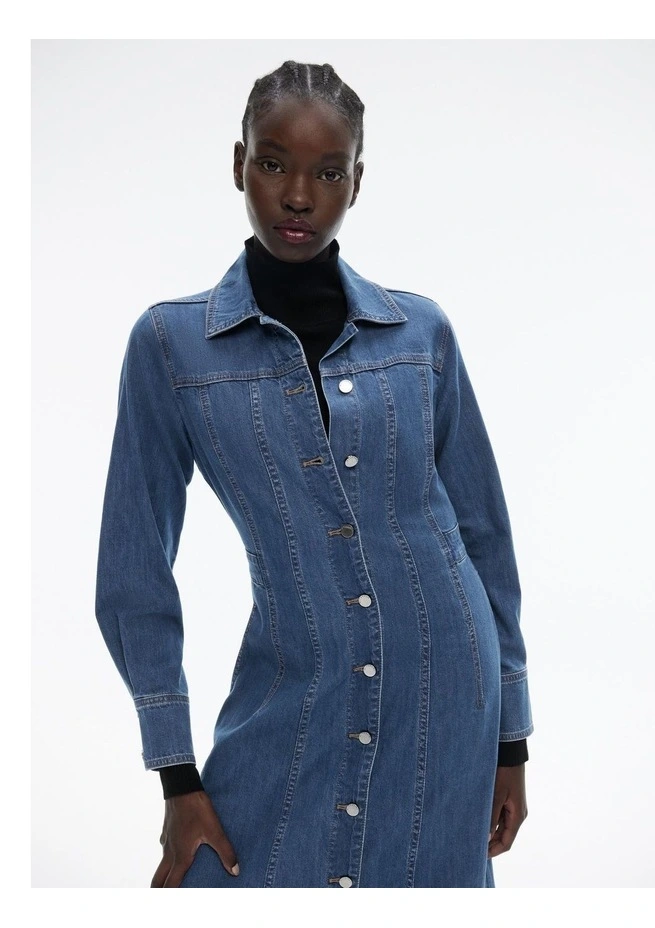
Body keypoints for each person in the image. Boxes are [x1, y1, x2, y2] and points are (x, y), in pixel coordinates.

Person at [94, 59, 533, 889]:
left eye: (329, 172)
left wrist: (511, 738)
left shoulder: (421, 333)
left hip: (448, 698)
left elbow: (484, 538)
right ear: (239, 164)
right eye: (273, 163)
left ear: (357, 183)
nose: (299, 195)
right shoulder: (170, 346)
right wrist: (177, 776)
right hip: (292, 690)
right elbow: (133, 573)